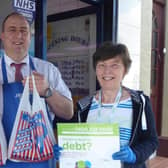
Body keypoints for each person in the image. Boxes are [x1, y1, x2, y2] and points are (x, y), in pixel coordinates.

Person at [0, 12, 73, 167]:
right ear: (2, 35)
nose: (18, 35)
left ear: (30, 37)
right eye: (12, 30)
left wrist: (48, 92)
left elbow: (68, 112)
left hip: (41, 160)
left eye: (24, 30)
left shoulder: (47, 70)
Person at [76, 42, 158, 168]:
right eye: (101, 65)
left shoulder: (140, 102)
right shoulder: (84, 106)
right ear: (96, 70)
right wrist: (66, 151)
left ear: (125, 70)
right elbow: (78, 142)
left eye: (114, 65)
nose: (107, 71)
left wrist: (134, 154)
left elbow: (151, 141)